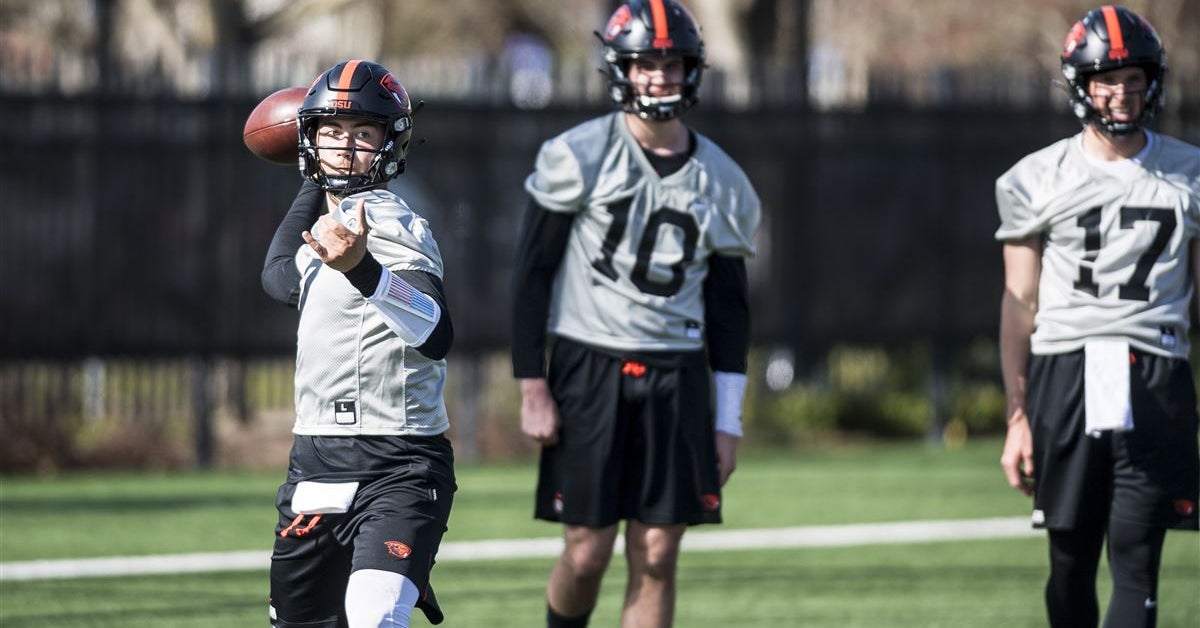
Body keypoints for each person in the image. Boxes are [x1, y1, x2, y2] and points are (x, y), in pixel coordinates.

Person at [511, 2, 761, 626]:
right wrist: (532, 384)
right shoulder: (579, 154)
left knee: (656, 553)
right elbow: (532, 274)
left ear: (692, 70)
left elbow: (730, 314)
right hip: (586, 363)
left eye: (672, 63)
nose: (660, 76)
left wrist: (727, 420)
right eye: (646, 63)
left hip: (676, 371)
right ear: (621, 68)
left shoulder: (724, 181)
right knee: (587, 551)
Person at [995, 7, 1199, 627]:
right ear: (1080, 85)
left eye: (1133, 78)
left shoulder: (1189, 172)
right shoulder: (1034, 177)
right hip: (1068, 372)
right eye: (1106, 79)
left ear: (1152, 81)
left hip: (1155, 371)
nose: (1121, 93)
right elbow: (1019, 303)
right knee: (1070, 567)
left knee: (1138, 567)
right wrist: (1017, 415)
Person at [260, 59, 455, 628]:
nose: (345, 148)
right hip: (315, 458)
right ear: (309, 140)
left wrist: (364, 269)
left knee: (373, 620)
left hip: (399, 460)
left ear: (389, 144)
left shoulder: (390, 222)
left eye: (363, 133)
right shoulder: (334, 220)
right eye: (331, 132)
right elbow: (277, 277)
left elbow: (437, 331)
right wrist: (314, 181)